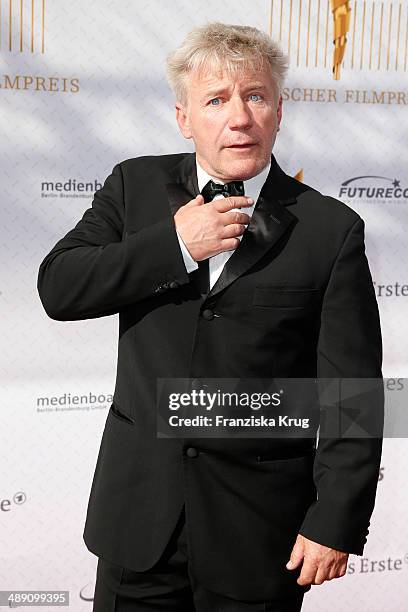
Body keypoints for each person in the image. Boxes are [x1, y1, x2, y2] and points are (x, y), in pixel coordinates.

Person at [37, 22, 384, 612]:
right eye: (216, 100)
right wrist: (173, 245)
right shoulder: (134, 187)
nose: (239, 117)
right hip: (140, 523)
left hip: (261, 533)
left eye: (255, 96)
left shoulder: (331, 230)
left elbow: (352, 389)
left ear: (279, 110)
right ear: (184, 117)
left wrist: (337, 518)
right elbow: (60, 288)